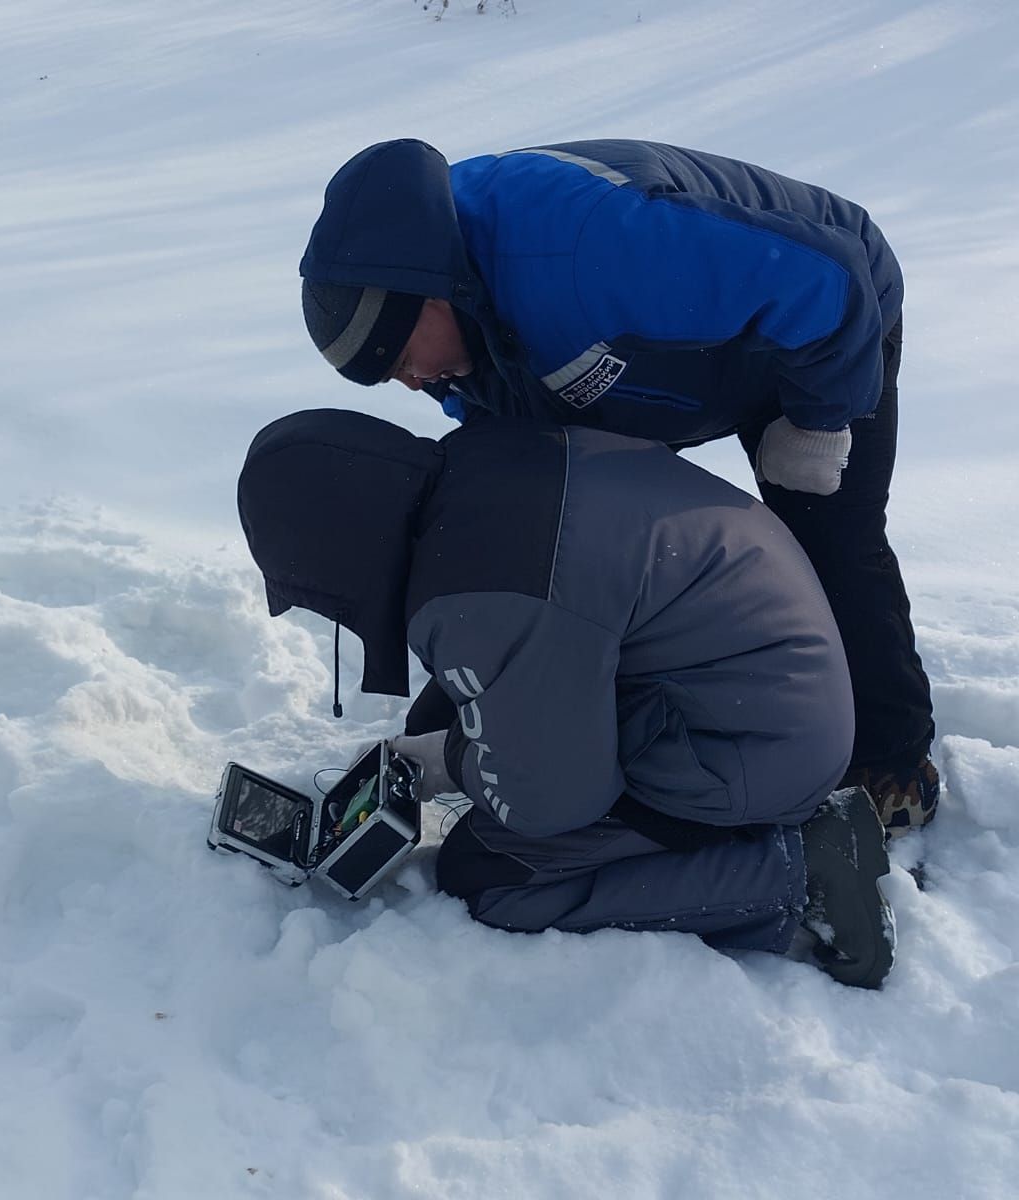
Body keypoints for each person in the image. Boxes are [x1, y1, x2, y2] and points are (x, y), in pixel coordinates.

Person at [298, 138, 937, 837]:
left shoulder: (583, 244)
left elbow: (826, 279)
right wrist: (465, 698)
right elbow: (524, 515)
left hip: (818, 332)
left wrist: (819, 423)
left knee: (831, 541)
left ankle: (891, 760)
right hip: (663, 368)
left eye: (400, 362)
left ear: (427, 299)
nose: (414, 384)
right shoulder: (459, 350)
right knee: (598, 555)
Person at [237, 407, 896, 987]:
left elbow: (551, 802)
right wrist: (454, 735)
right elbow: (546, 632)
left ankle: (798, 873)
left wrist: (450, 760)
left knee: (490, 875)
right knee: (461, 720)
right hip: (771, 681)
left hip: (749, 745)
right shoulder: (482, 464)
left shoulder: (482, 594)